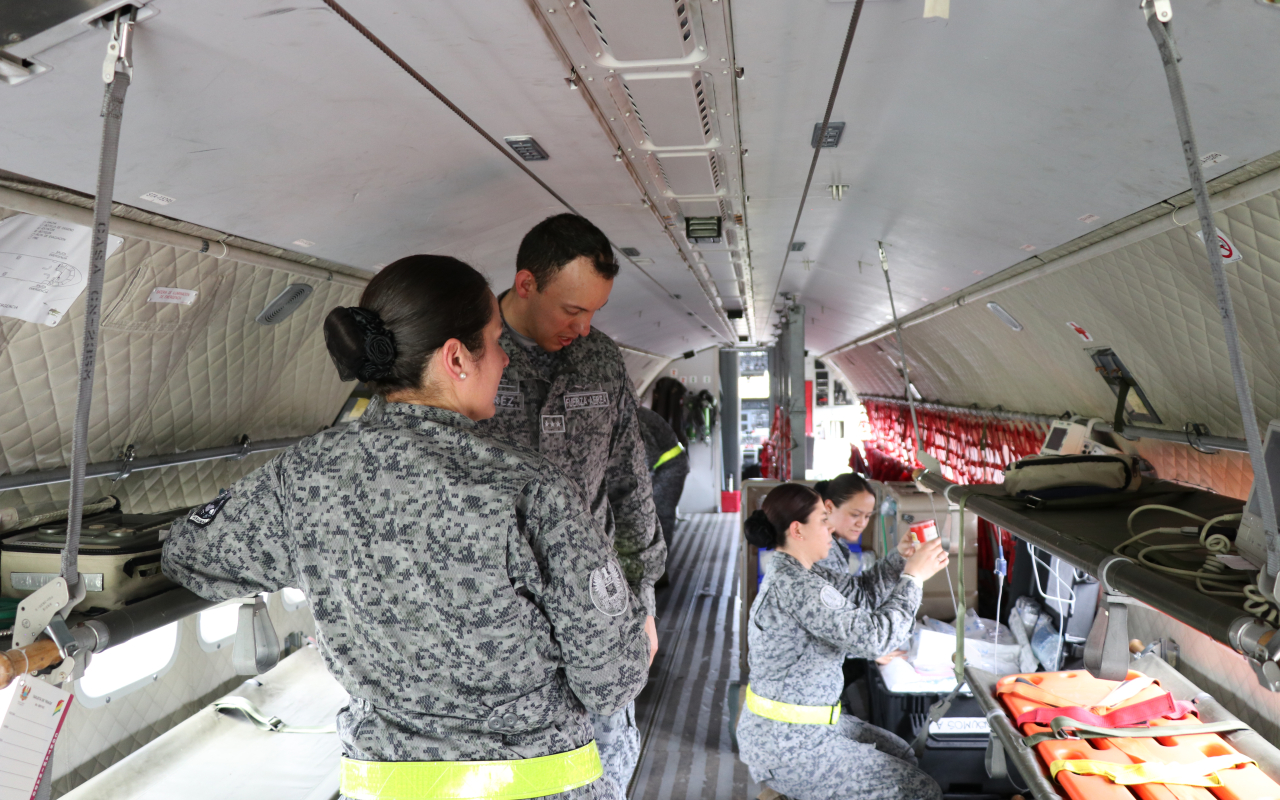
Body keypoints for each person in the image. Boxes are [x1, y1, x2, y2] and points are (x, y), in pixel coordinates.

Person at [162, 255, 650, 800]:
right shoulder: (530, 488)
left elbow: (189, 553)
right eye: (496, 341)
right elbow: (612, 680)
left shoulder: (301, 476)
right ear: (456, 358)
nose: (506, 360)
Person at [475, 213, 666, 793]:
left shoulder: (601, 361)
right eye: (572, 310)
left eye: (594, 313)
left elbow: (629, 481)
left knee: (610, 760)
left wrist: (644, 598)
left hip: (596, 601)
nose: (583, 328)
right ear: (526, 283)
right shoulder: (466, 357)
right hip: (498, 609)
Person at [736, 483, 948, 800]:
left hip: (798, 726)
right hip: (792, 744)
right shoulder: (799, 586)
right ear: (798, 530)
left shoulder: (799, 573)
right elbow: (875, 640)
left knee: (900, 752)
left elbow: (858, 598)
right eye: (823, 520)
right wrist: (913, 579)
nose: (829, 528)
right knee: (922, 791)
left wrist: (899, 562)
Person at [636, 406, 688, 556]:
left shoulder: (631, 417)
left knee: (661, 517)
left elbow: (648, 455)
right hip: (665, 467)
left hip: (669, 469)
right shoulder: (633, 410)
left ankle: (660, 566)